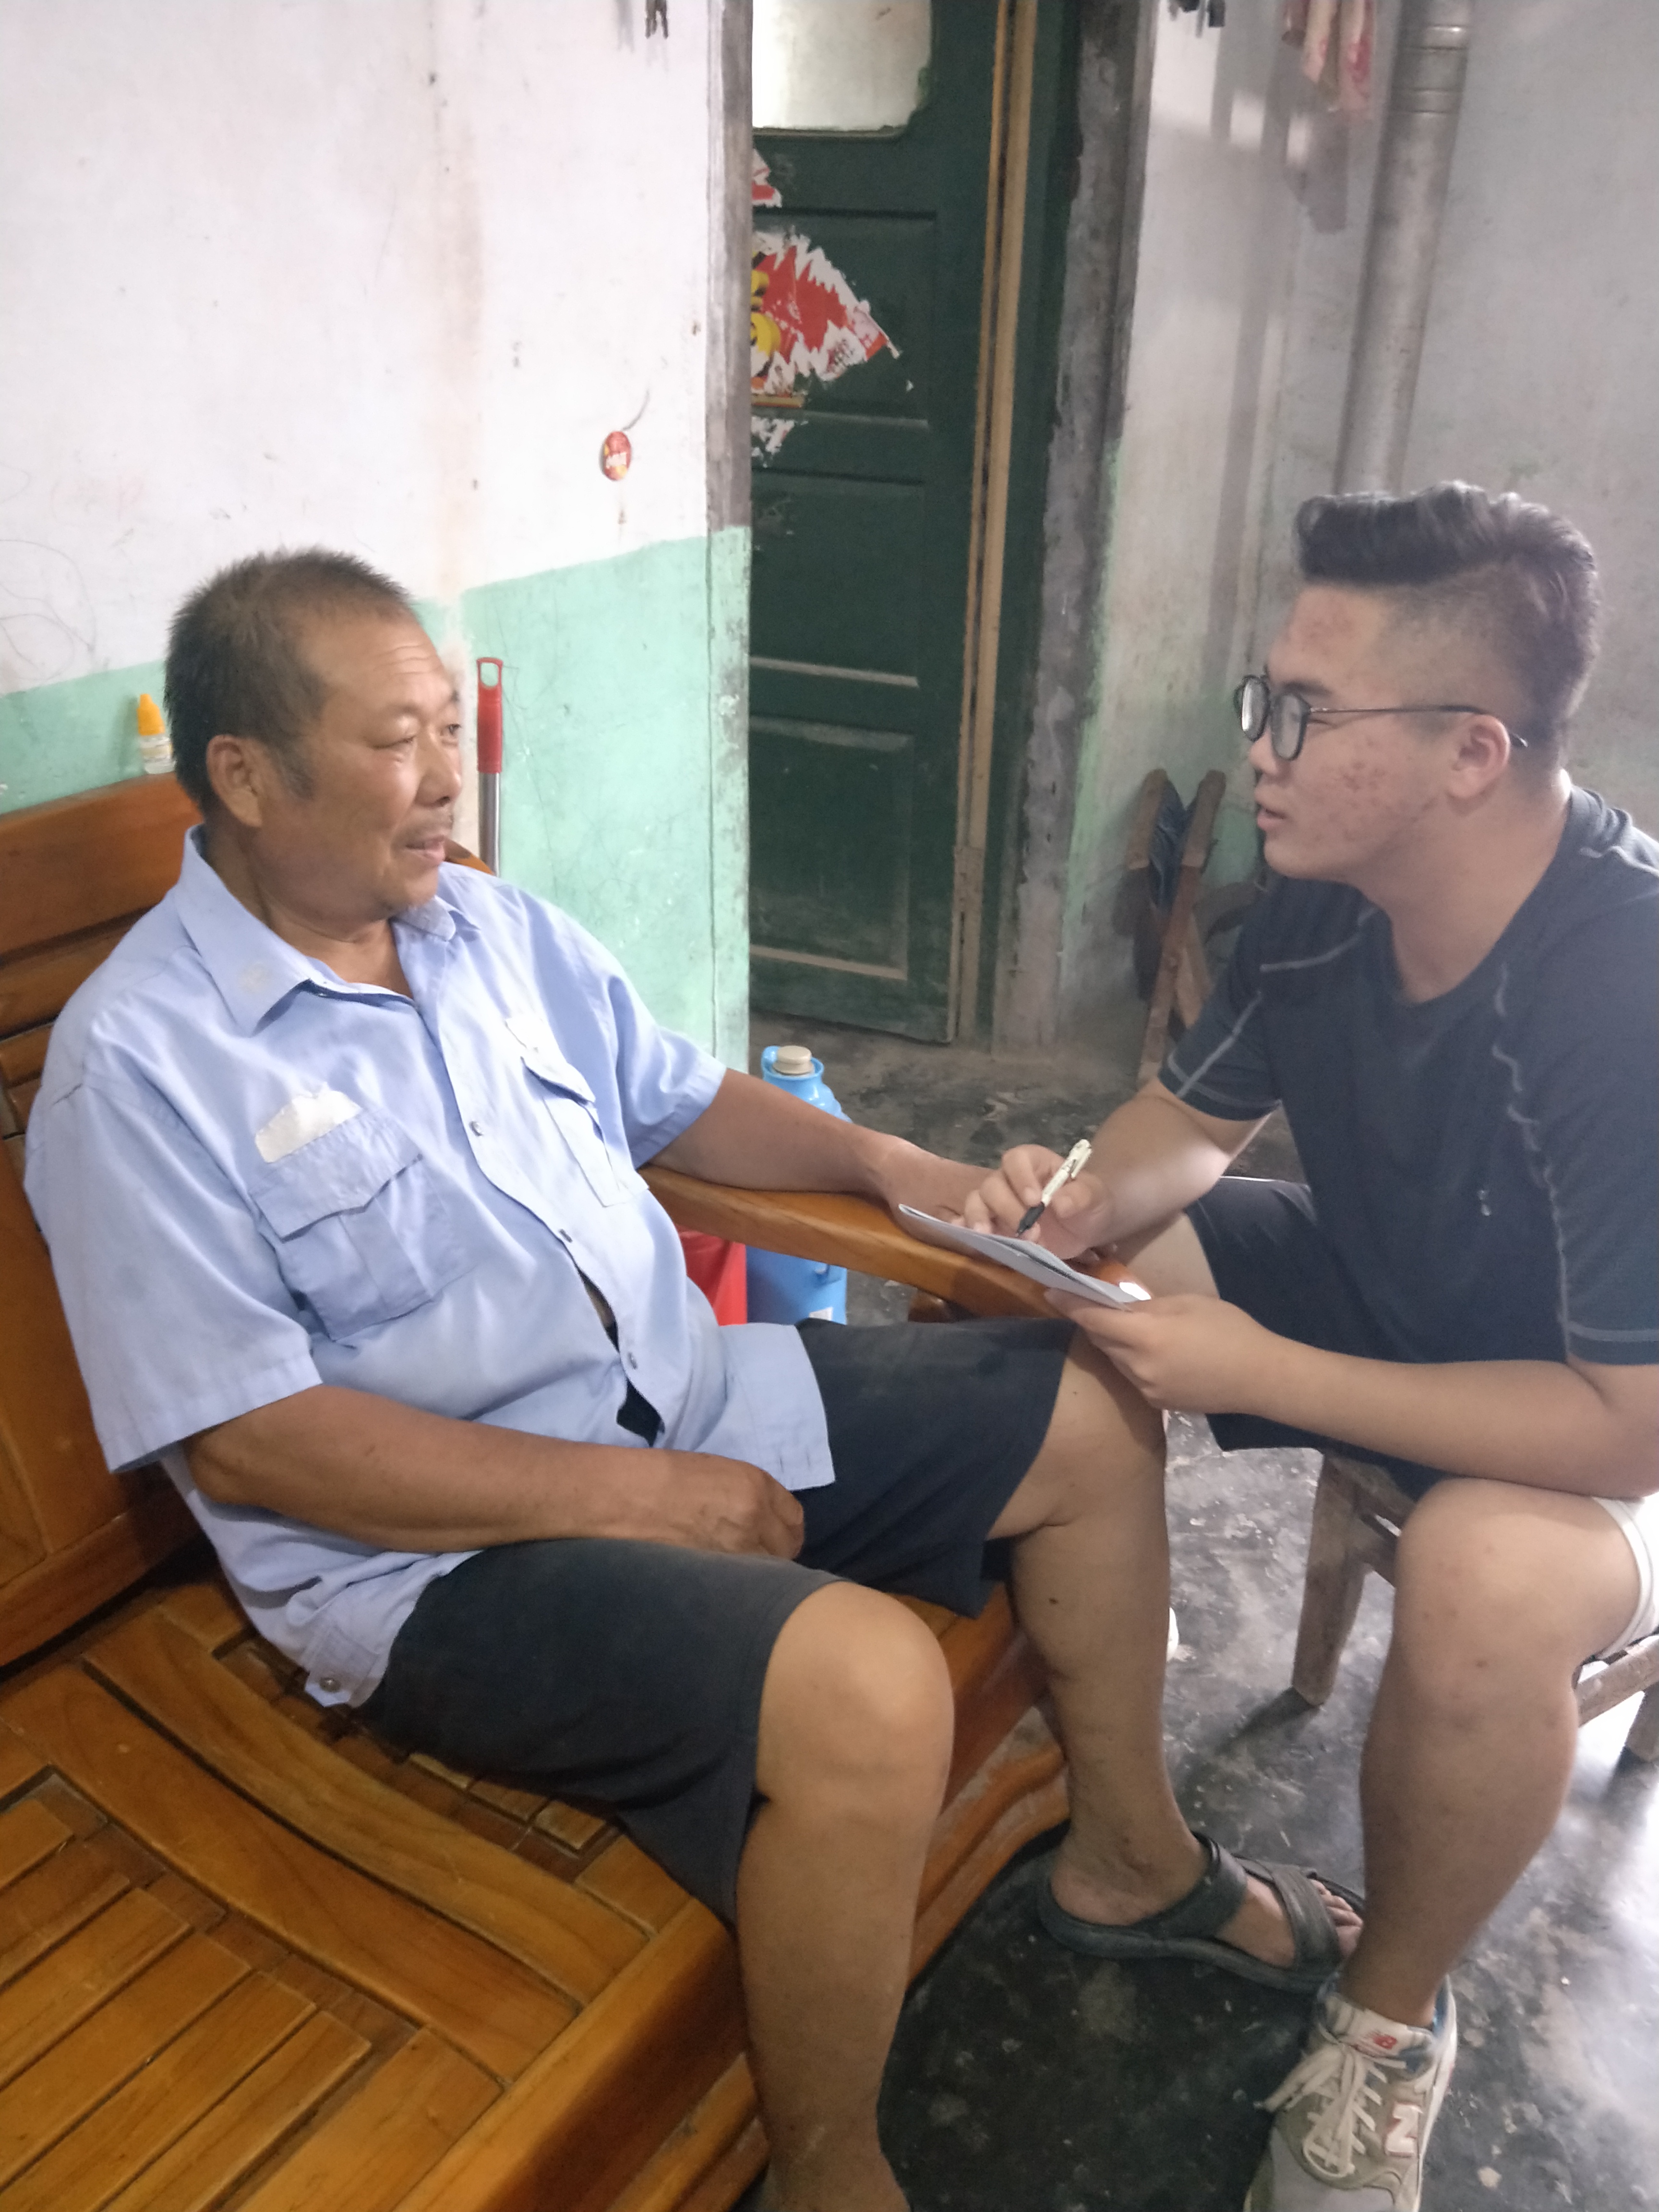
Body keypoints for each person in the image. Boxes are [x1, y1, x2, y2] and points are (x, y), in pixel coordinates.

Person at [24, 550, 1362, 2212]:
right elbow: (253, 1447)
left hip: (684, 1397)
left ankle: (1130, 1861)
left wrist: (899, 1168)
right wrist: (641, 1499)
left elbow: (678, 1099)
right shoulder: (140, 1065)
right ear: (244, 774)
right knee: (871, 1688)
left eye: (448, 727)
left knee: (1091, 1412)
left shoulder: (476, 926)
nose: (447, 779)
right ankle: (830, 2170)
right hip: (437, 1563)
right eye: (396, 742)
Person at [966, 483, 1659, 2211]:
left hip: (1594, 1419)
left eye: (1302, 714)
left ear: (1472, 753)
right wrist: (1074, 1195)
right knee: (1057, 1282)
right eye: (1261, 700)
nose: (1258, 753)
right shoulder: (1325, 894)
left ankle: (1385, 2024)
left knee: (1489, 1580)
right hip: (1391, 1289)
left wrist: (1263, 1373)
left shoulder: (1622, 988)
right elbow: (1188, 1128)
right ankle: (1124, 1835)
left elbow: (1625, 1423)